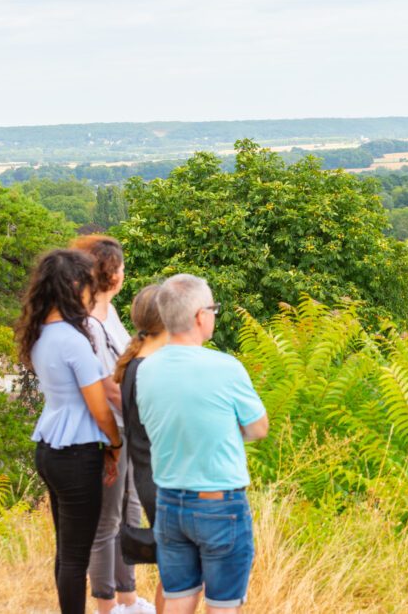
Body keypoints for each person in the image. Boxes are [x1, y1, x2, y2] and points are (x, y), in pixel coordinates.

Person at [137, 274, 269, 614]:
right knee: (222, 606)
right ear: (200, 316)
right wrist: (225, 432)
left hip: (168, 500)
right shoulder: (225, 367)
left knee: (178, 600)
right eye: (213, 308)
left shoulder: (146, 369)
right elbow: (258, 428)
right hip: (219, 502)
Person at [15, 248, 122, 614]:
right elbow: (99, 408)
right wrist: (116, 442)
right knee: (76, 557)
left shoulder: (42, 333)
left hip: (49, 448)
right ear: (75, 287)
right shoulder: (74, 341)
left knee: (66, 552)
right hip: (76, 454)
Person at [69, 235, 154, 614]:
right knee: (108, 522)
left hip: (128, 428)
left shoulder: (109, 314)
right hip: (110, 432)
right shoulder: (86, 323)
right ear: (113, 274)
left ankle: (127, 596)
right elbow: (108, 385)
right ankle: (106, 605)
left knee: (130, 510)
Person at [114, 285, 168, 614]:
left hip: (150, 473)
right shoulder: (150, 369)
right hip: (160, 475)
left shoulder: (137, 362)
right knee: (179, 571)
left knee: (178, 569)